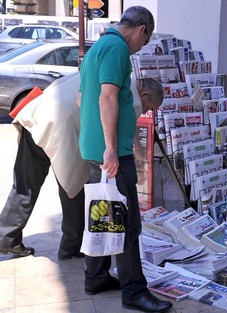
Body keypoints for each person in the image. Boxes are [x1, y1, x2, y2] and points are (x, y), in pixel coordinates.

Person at [78, 6, 172, 313]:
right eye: (143, 43)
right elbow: (106, 97)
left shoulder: (98, 47)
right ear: (141, 29)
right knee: (128, 222)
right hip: (112, 151)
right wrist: (110, 148)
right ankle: (134, 291)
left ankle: (95, 277)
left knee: (102, 214)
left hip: (94, 147)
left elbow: (84, 98)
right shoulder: (118, 48)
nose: (139, 48)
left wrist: (98, 142)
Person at [0, 72, 86, 259]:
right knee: (73, 185)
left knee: (25, 183)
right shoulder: (117, 78)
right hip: (59, 124)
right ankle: (71, 247)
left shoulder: (85, 69)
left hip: (35, 114)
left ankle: (6, 237)